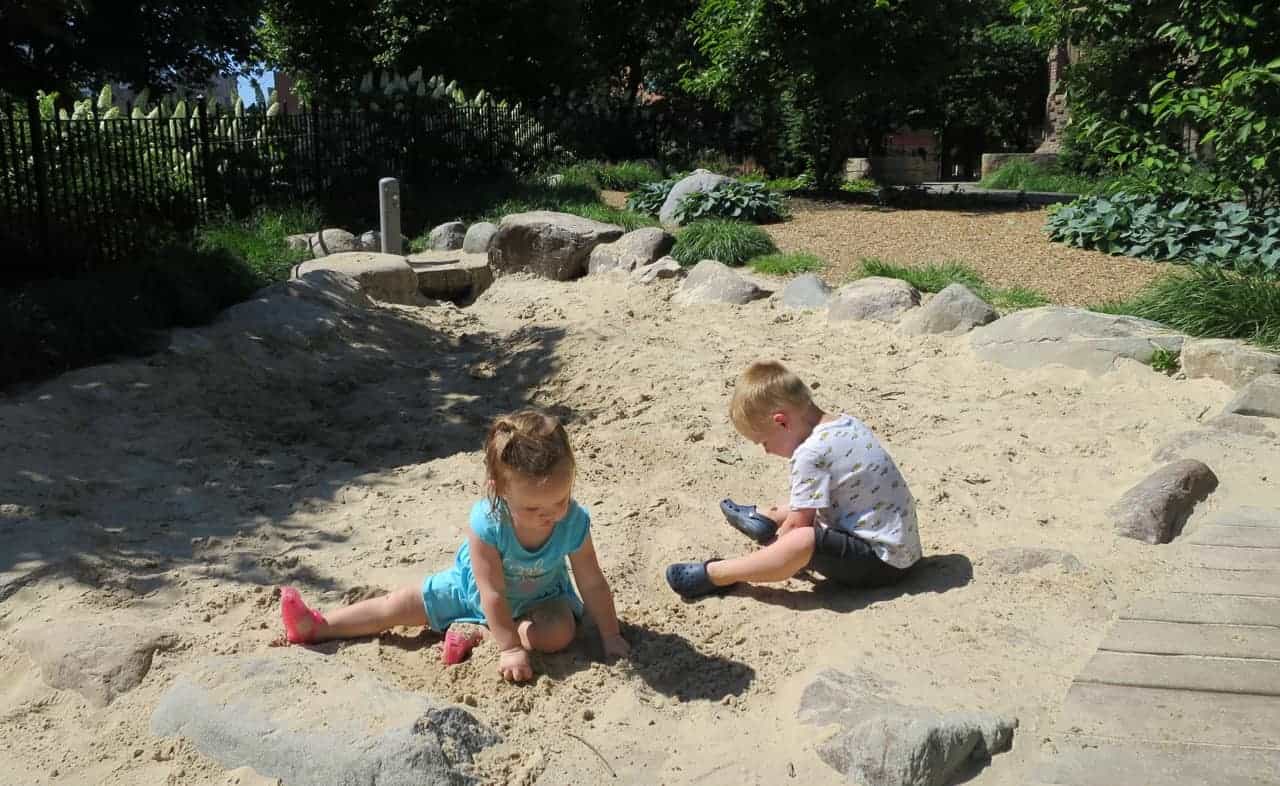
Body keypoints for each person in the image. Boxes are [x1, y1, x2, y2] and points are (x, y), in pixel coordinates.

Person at [280, 409, 629, 682]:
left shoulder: (572, 522)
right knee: (398, 605)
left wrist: (610, 634)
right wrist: (509, 649)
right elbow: (491, 591)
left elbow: (592, 580)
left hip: (543, 599)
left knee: (560, 633)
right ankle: (320, 625)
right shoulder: (488, 523)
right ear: (500, 491)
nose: (550, 516)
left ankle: (479, 630)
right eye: (534, 508)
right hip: (473, 591)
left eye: (560, 500)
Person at [666, 360, 922, 598]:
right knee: (818, 496)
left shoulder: (809, 454)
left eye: (764, 442)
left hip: (881, 564)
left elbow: (798, 527)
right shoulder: (845, 423)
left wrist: (776, 549)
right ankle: (765, 517)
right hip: (902, 549)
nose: (766, 450)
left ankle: (718, 574)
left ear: (782, 422)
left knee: (800, 539)